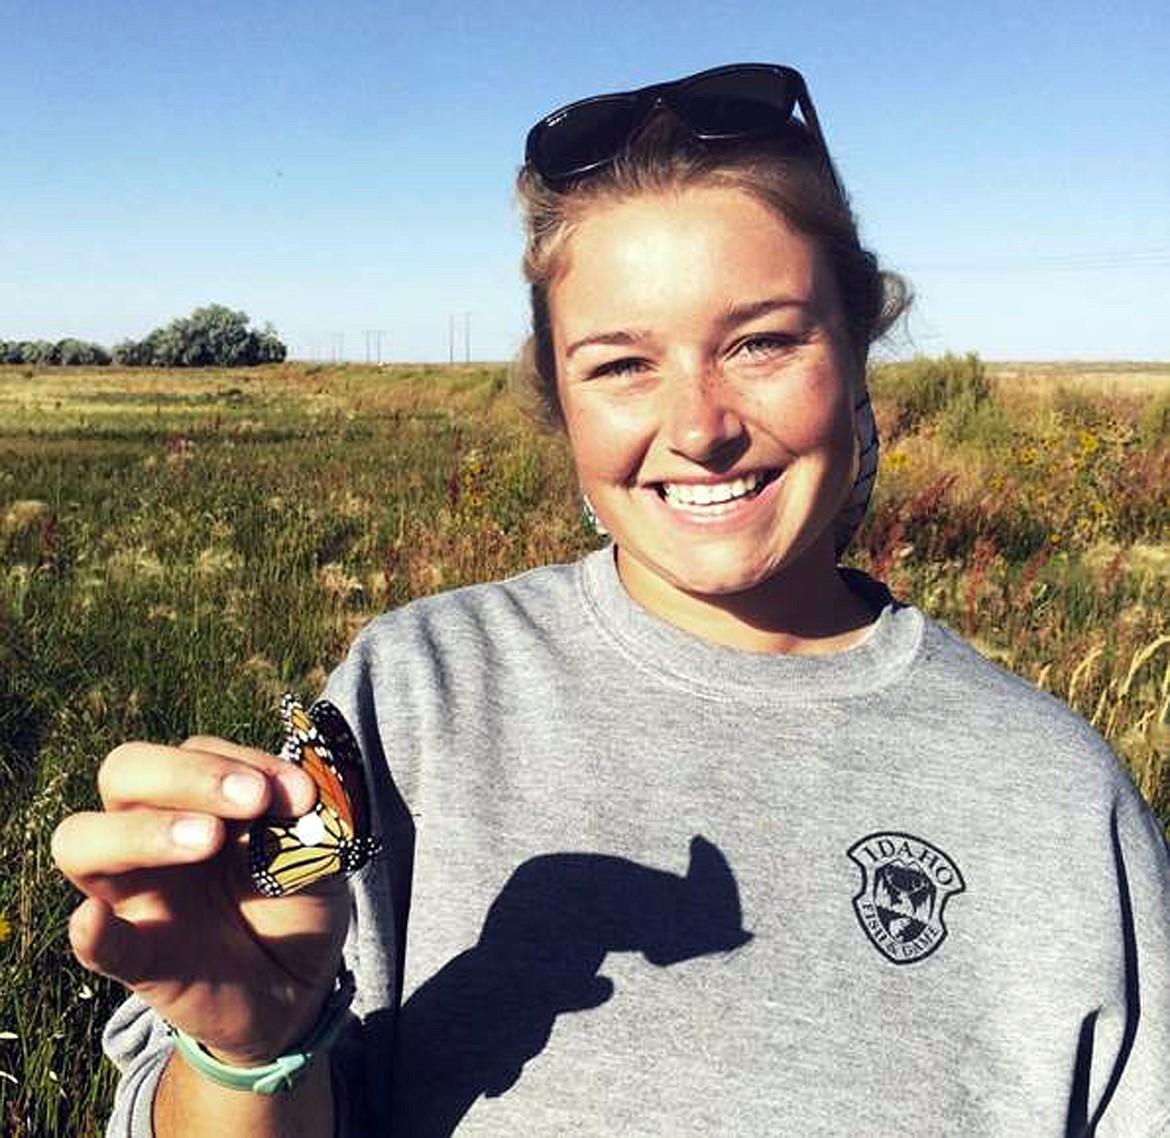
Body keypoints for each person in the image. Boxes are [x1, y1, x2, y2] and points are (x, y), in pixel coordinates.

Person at [54, 64, 1169, 1137]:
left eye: (763, 340)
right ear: (559, 398)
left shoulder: (1054, 798)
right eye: (622, 364)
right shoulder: (423, 694)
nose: (699, 425)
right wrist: (251, 1051)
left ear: (859, 344)